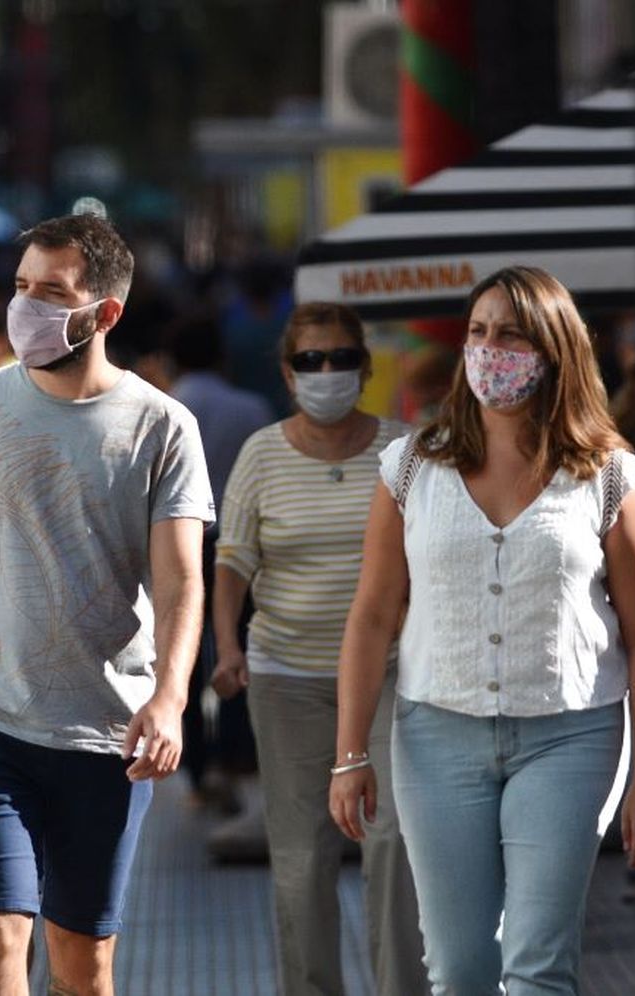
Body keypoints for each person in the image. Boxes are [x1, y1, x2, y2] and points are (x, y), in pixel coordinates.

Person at [0, 214, 213, 996]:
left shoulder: (162, 427)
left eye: (51, 292)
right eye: (22, 286)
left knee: (82, 966)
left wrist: (171, 699)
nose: (27, 305)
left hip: (104, 731)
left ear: (105, 314)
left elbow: (182, 578)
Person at [330, 267, 635, 994]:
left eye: (510, 334)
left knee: (539, 964)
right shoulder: (412, 467)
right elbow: (373, 615)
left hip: (572, 736)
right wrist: (349, 752)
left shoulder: (611, 478)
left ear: (553, 350)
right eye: (478, 332)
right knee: (459, 968)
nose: (489, 350)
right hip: (434, 737)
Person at [209, 302, 426, 995]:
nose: (325, 371)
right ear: (287, 372)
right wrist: (226, 647)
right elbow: (233, 561)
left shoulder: (406, 451)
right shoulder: (262, 454)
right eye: (310, 360)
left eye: (339, 358)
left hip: (394, 675)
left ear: (364, 368)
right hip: (289, 679)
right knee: (302, 858)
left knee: (394, 841)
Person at [165, 314, 272, 821]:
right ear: (222, 357)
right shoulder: (251, 408)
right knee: (234, 649)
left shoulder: (162, 408)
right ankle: (234, 756)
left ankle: (195, 769)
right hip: (241, 546)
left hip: (177, 545)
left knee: (183, 655)